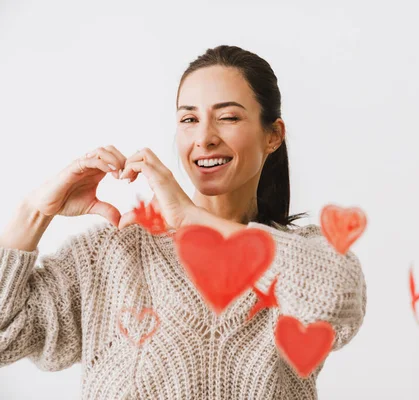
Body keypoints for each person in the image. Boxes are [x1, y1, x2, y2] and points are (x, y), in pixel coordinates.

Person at [0, 45, 367, 399]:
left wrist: (192, 219)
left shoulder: (301, 258)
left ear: (273, 135)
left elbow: (334, 300)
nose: (204, 138)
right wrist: (34, 210)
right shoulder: (112, 254)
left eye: (228, 117)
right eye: (189, 119)